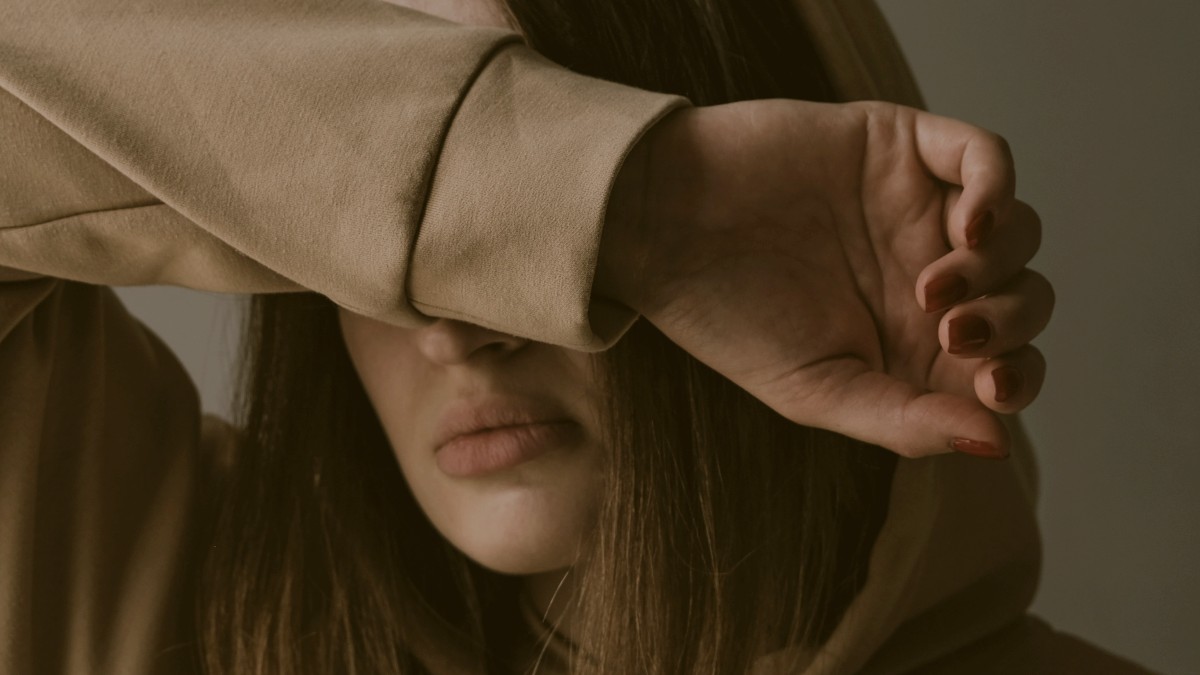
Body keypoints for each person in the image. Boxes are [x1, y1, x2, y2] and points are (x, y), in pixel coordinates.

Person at [0, 0, 1153, 673]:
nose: (456, 333)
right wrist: (632, 206)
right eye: (393, 239)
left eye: (536, 258)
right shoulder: (179, 605)